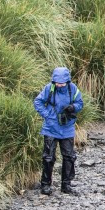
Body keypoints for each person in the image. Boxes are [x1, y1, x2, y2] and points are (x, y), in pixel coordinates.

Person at [33, 67, 84, 196]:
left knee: (69, 157)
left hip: (67, 127)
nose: (59, 84)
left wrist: (73, 107)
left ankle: (66, 185)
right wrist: (47, 115)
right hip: (50, 127)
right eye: (57, 82)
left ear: (67, 80)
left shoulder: (73, 89)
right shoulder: (48, 88)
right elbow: (38, 101)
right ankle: (45, 185)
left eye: (62, 82)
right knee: (48, 157)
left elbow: (80, 103)